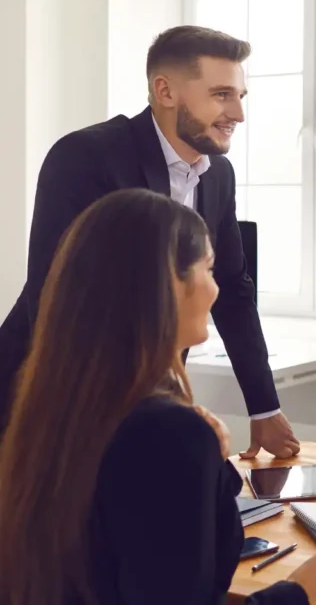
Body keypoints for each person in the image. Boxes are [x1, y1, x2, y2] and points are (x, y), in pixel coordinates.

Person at [0, 189, 316, 605]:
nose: (216, 291)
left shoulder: (47, 408)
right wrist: (298, 594)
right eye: (209, 269)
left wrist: (214, 463)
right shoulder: (166, 431)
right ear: (167, 283)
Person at [0, 25, 299, 459]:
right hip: (47, 396)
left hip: (143, 404)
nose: (238, 112)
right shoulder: (86, 156)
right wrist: (150, 408)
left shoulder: (218, 175)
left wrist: (264, 407)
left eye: (240, 96)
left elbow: (233, 289)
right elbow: (57, 295)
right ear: (165, 90)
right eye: (221, 95)